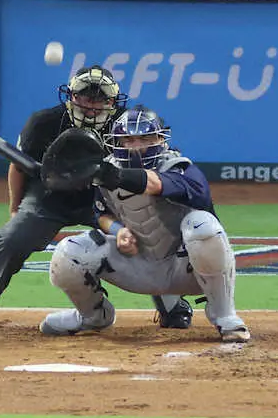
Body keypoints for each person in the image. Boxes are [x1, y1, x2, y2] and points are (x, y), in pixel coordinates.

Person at [0, 66, 194, 330]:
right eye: (86, 98)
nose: (92, 106)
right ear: (71, 97)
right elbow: (19, 166)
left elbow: (151, 162)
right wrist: (15, 209)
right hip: (49, 197)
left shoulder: (126, 125)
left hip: (107, 198)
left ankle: (171, 304)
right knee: (13, 236)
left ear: (113, 102)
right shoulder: (44, 122)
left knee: (146, 233)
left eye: (100, 99)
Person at [40, 106, 251, 342]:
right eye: (128, 139)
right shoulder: (109, 171)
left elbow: (155, 184)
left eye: (145, 138)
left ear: (161, 139)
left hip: (187, 269)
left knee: (203, 226)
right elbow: (100, 214)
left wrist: (110, 175)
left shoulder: (180, 168)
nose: (137, 146)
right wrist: (119, 231)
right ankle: (92, 316)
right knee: (69, 252)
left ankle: (224, 316)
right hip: (139, 265)